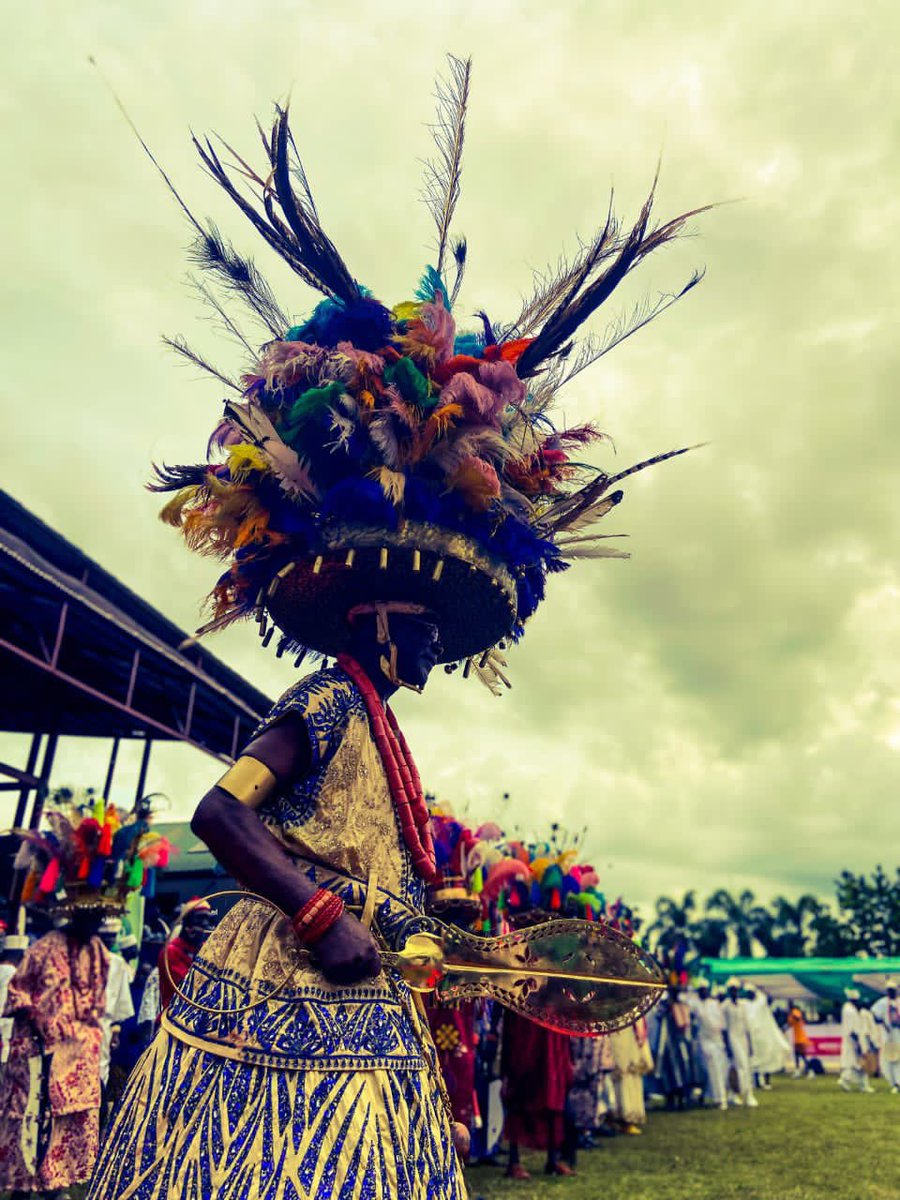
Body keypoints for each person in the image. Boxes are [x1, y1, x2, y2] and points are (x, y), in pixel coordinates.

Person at [86, 57, 704, 1200]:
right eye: (422, 635)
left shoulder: (373, 715)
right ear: (378, 619)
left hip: (360, 987)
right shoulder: (325, 701)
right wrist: (321, 912)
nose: (436, 657)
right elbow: (220, 813)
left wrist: (428, 907)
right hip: (291, 978)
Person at [501, 1012, 574, 1179]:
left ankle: (552, 1160)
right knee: (520, 1093)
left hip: (554, 1026)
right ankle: (514, 1162)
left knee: (553, 1097)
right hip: (525, 1022)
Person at [156, 898, 217, 1013]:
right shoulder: (171, 951)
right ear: (187, 922)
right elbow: (187, 987)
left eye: (207, 919)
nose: (205, 924)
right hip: (174, 1016)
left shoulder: (205, 949)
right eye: (200, 918)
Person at [651, 985, 695, 1109]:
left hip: (680, 1042)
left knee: (683, 1069)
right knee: (668, 1071)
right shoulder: (663, 1005)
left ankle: (682, 1099)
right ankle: (670, 1099)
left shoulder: (682, 1005)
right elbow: (658, 1017)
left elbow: (686, 1023)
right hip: (666, 1044)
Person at [608, 1019, 654, 1134]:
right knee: (620, 1073)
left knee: (631, 1073)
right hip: (618, 1032)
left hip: (630, 1032)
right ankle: (618, 1117)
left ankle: (627, 1118)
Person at [689, 980, 729, 1110]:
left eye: (705, 989)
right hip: (704, 1041)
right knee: (712, 1069)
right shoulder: (695, 1004)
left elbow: (722, 1024)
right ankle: (720, 1099)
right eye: (701, 990)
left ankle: (713, 1096)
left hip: (717, 1040)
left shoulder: (714, 1004)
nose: (703, 992)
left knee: (719, 1070)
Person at [745, 985, 791, 1090]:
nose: (749, 994)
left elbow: (767, 999)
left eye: (751, 992)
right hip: (753, 1038)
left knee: (766, 1059)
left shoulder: (760, 1003)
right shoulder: (746, 1004)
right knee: (754, 1061)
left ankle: (767, 1081)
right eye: (748, 993)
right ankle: (756, 1082)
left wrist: (762, 990)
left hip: (764, 1037)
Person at [722, 978, 758, 1107]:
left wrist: (750, 1044)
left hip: (743, 1039)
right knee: (739, 1066)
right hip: (733, 1039)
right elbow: (724, 1029)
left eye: (736, 990)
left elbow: (747, 1026)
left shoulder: (743, 1005)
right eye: (732, 990)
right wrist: (728, 1046)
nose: (734, 993)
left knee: (745, 1066)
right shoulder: (725, 1006)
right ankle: (743, 1094)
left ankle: (738, 1094)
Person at [839, 988, 874, 1092]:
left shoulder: (850, 1009)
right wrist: (859, 1044)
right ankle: (845, 1080)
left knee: (859, 1064)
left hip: (856, 1039)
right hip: (853, 1041)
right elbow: (852, 1030)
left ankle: (863, 1085)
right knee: (853, 1063)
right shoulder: (850, 1011)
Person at [871, 979, 900, 1093]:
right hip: (889, 1035)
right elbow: (874, 1014)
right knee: (891, 1060)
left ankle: (898, 1082)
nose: (892, 993)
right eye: (890, 990)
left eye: (893, 990)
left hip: (898, 1034)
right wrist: (883, 1024)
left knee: (897, 1059)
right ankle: (894, 1083)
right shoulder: (882, 1002)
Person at [786, 1000, 812, 1078]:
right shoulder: (790, 1015)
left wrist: (793, 1015)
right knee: (797, 1055)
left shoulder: (795, 1012)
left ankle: (809, 1071)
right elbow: (790, 1024)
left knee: (802, 1055)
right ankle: (798, 1071)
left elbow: (798, 1018)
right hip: (796, 1038)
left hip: (800, 1038)